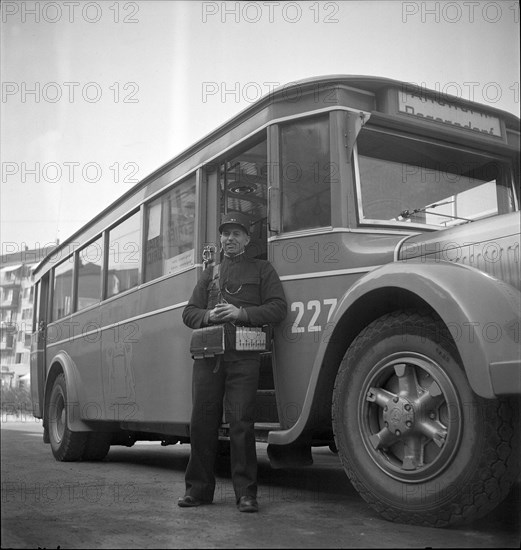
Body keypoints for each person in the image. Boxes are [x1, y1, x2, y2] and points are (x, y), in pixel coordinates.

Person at [179, 212, 287, 513]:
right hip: (208, 359)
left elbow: (279, 308)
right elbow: (188, 313)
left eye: (237, 233)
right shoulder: (209, 273)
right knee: (201, 424)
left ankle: (246, 494)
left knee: (241, 424)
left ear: (247, 239)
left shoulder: (263, 269)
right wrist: (207, 316)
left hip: (244, 359)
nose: (230, 239)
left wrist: (242, 314)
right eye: (226, 234)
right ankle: (198, 491)